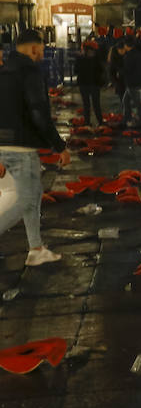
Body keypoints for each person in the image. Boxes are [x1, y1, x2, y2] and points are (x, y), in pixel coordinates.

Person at [0, 29, 69, 266]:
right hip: (21, 146)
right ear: (33, 48)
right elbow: (38, 112)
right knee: (26, 199)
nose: (42, 53)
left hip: (3, 145)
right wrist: (59, 146)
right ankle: (35, 248)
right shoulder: (29, 72)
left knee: (32, 195)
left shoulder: (3, 71)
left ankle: (36, 248)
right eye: (41, 49)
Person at [75, 41, 105, 126]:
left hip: (83, 84)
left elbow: (76, 70)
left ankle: (87, 122)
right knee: (96, 104)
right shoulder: (96, 58)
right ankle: (100, 122)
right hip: (94, 84)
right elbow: (101, 70)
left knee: (86, 104)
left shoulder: (80, 58)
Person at [121, 37, 141, 127]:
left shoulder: (130, 55)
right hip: (135, 81)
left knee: (136, 103)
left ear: (126, 45)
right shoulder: (137, 53)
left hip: (132, 82)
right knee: (125, 101)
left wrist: (120, 72)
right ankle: (127, 119)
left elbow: (127, 69)